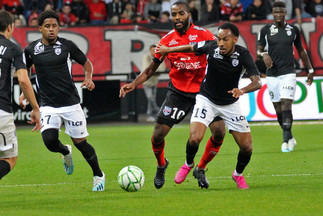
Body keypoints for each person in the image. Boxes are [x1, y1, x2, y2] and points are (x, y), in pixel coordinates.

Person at [120, 1, 226, 189]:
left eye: (181, 14)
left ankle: (200, 168)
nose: (177, 18)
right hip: (178, 92)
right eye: (174, 14)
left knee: (219, 132)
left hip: (203, 93)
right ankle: (162, 164)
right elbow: (151, 69)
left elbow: (218, 54)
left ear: (189, 14)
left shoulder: (204, 34)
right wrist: (133, 84)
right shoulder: (166, 40)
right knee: (158, 134)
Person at [156, 22, 262, 189]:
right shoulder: (211, 47)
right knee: (194, 138)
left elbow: (257, 82)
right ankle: (188, 164)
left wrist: (242, 90)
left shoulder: (243, 55)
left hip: (230, 104)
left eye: (225, 39)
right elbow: (190, 48)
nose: (220, 43)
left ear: (235, 39)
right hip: (206, 99)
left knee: (247, 147)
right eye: (219, 39)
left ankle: (237, 175)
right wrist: (168, 50)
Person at [20, 10, 105, 191]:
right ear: (40, 28)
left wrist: (88, 77)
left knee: (81, 144)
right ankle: (65, 152)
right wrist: (23, 91)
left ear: (59, 27)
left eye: (55, 26)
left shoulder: (67, 46)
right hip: (48, 105)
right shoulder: (30, 49)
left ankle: (98, 174)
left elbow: (86, 63)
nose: (51, 30)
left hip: (71, 103)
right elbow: (24, 71)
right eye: (47, 26)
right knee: (50, 141)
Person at [257, 1, 314, 153]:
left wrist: (310, 69)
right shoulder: (266, 30)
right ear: (272, 13)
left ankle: (284, 140)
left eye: (281, 12)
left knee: (286, 104)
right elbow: (258, 50)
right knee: (278, 109)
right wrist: (264, 55)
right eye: (275, 12)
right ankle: (290, 136)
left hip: (288, 73)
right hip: (272, 75)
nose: (278, 14)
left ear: (285, 13)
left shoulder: (293, 30)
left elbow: (301, 50)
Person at [0, 10, 41, 180]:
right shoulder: (13, 48)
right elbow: (24, 80)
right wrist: (36, 108)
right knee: (9, 158)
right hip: (1, 111)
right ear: (10, 27)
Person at [142, 44, 166, 122]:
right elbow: (146, 68)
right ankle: (157, 110)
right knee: (150, 97)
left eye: (155, 50)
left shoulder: (160, 57)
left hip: (154, 81)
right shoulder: (147, 57)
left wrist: (154, 70)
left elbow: (162, 69)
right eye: (152, 50)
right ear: (150, 50)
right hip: (146, 81)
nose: (154, 52)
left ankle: (150, 114)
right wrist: (156, 70)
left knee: (152, 98)